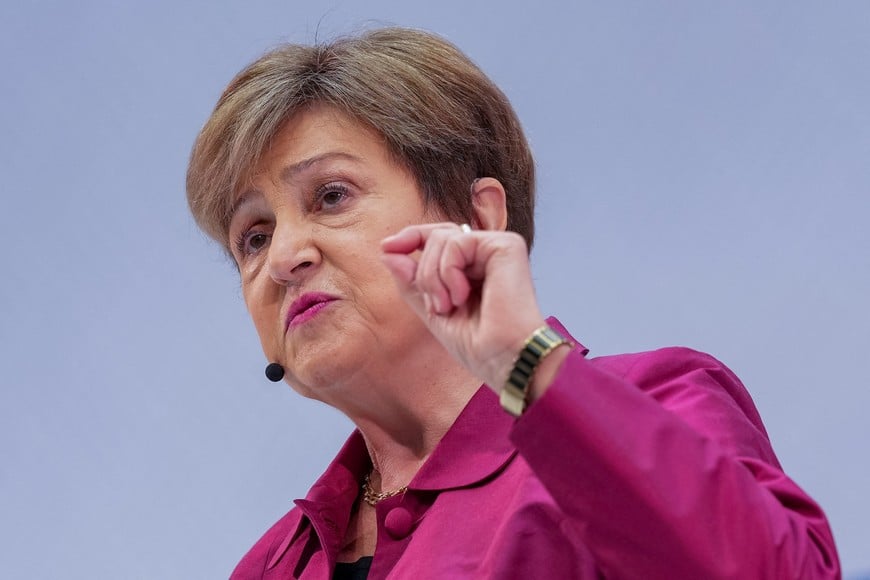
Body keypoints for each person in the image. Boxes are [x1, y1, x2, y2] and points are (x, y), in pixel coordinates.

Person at [186, 27, 840, 579]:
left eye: (331, 196)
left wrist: (523, 362)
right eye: (254, 237)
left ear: (477, 217)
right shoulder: (272, 563)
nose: (282, 259)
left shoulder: (659, 400)